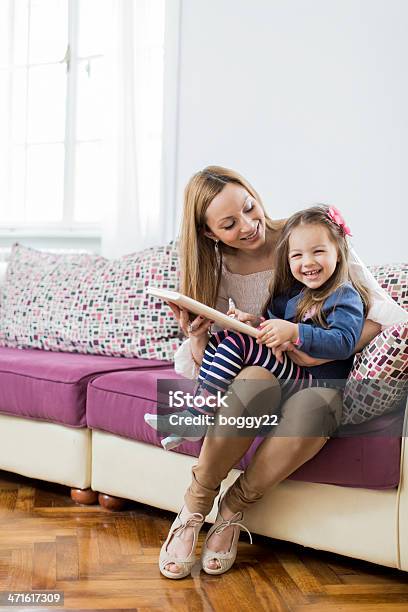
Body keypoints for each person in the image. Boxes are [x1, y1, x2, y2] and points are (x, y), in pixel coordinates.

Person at [156, 166, 407, 579]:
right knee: (252, 379)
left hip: (315, 379)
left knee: (315, 408)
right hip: (267, 371)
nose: (250, 225)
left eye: (250, 208)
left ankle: (233, 509)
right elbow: (257, 330)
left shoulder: (306, 237)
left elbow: (384, 317)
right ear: (209, 234)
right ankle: (194, 507)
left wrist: (308, 346)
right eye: (230, 224)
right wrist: (203, 336)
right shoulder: (216, 270)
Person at [146, 204, 370, 450]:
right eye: (297, 255)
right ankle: (195, 414)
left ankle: (197, 416)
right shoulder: (293, 294)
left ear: (338, 252)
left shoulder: (344, 295)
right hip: (290, 371)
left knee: (237, 343)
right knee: (225, 338)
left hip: (314, 384)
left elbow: (343, 342)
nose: (308, 262)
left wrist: (295, 332)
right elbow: (275, 326)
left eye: (318, 251)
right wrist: (254, 322)